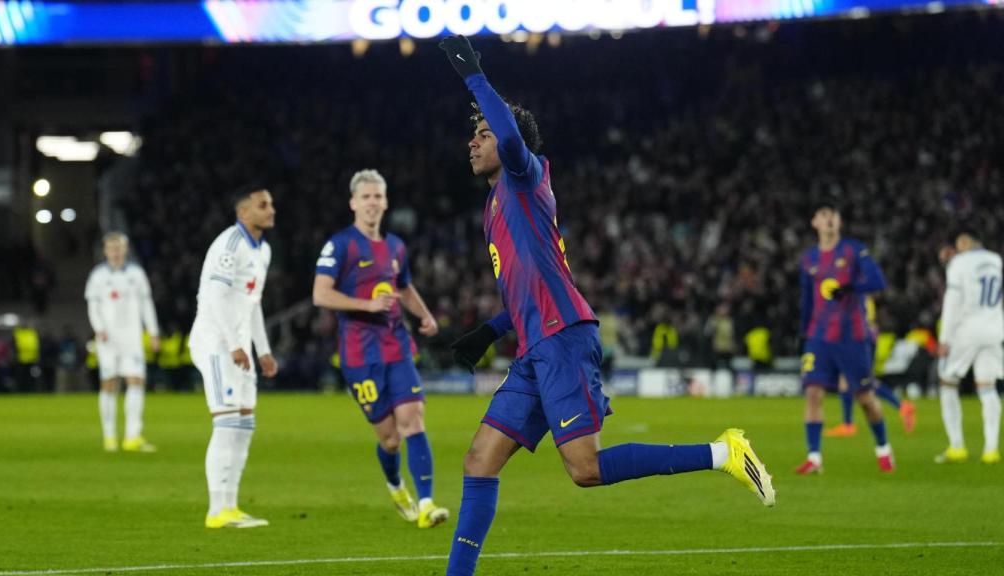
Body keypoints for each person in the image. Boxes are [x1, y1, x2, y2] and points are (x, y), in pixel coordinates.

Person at [437, 35, 775, 576]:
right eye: (472, 135)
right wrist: (487, 331)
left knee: (585, 469)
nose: (472, 144)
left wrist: (475, 76)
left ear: (509, 142)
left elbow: (507, 133)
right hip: (534, 346)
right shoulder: (496, 207)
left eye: (482, 134)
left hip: (563, 339)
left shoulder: (526, 178)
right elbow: (528, 289)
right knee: (480, 460)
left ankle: (725, 452)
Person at [312, 169, 448, 529]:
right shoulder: (340, 245)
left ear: (385, 202)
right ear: (354, 203)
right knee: (389, 439)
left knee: (413, 422)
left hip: (396, 346)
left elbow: (403, 288)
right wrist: (366, 306)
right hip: (359, 355)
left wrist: (425, 315)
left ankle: (427, 504)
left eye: (378, 196)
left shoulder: (395, 247)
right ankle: (394, 484)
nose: (373, 203)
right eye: (366, 197)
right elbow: (320, 293)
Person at [189, 185, 278, 528]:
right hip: (215, 342)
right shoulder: (230, 245)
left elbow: (252, 305)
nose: (271, 210)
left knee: (244, 424)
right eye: (263, 205)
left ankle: (231, 506)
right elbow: (214, 298)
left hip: (238, 347)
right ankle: (216, 510)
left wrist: (264, 350)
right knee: (226, 423)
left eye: (271, 204)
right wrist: (232, 344)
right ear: (244, 213)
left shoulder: (263, 251)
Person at [796, 203, 893, 474]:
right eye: (823, 215)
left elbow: (878, 281)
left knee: (864, 398)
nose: (828, 220)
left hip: (852, 335)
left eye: (833, 216)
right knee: (813, 393)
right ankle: (814, 458)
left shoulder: (853, 250)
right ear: (814, 222)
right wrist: (802, 333)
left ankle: (883, 448)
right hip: (818, 336)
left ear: (838, 222)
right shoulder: (808, 259)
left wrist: (851, 287)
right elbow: (806, 299)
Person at [84, 232, 160, 452]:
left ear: (125, 250)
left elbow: (146, 304)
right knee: (109, 383)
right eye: (111, 248)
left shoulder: (136, 274)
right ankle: (109, 436)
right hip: (108, 339)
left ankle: (132, 436)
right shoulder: (97, 276)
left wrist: (153, 331)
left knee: (136, 381)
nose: (115, 252)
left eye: (119, 248)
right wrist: (99, 329)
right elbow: (93, 306)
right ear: (106, 251)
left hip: (132, 338)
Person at [935, 230, 1002, 464]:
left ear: (963, 241)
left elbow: (952, 302)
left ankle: (957, 446)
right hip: (995, 327)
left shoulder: (960, 262)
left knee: (947, 382)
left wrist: (945, 339)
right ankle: (991, 450)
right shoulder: (996, 260)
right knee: (987, 386)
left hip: (968, 329)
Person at [825, 296, 916, 438]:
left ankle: (901, 406)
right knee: (849, 381)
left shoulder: (855, 295)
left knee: (862, 381)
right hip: (861, 338)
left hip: (859, 340)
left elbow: (856, 319)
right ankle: (848, 424)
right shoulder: (859, 294)